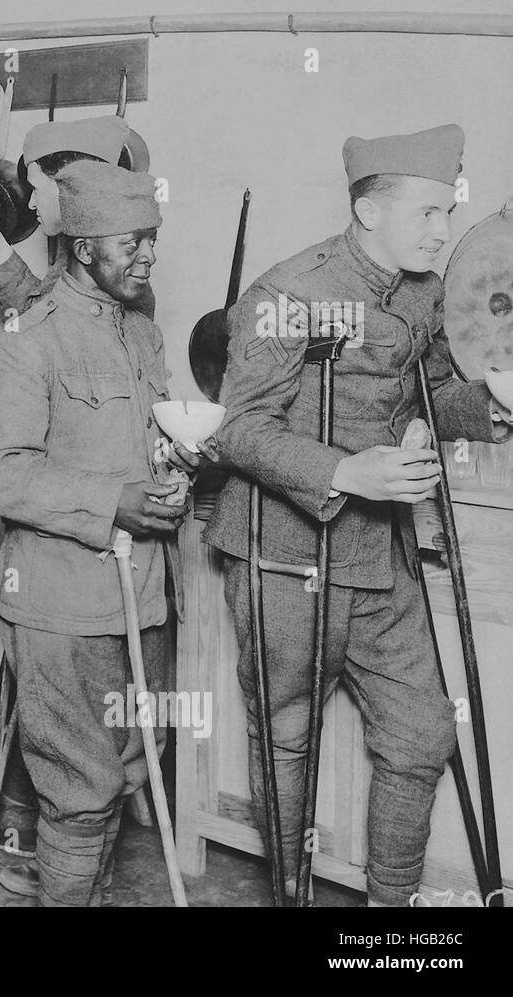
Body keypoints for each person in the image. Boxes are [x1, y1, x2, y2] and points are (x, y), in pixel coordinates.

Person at [203, 124, 512, 906]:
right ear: (369, 211)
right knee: (286, 738)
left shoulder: (420, 293)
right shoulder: (287, 293)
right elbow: (237, 428)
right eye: (429, 214)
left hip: (381, 556)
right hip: (282, 554)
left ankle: (389, 911)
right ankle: (293, 896)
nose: (444, 232)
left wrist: (494, 403)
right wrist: (345, 468)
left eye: (450, 212)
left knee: (421, 732)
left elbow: (433, 397)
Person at [0, 160, 201, 906]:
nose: (148, 256)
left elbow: (146, 436)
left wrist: (176, 464)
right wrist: (114, 502)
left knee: (133, 758)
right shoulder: (29, 342)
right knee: (79, 782)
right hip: (62, 607)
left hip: (143, 596)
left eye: (153, 239)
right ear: (81, 248)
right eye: (131, 242)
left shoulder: (140, 330)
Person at [0, 116, 155, 320]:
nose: (32, 203)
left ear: (69, 186)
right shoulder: (89, 245)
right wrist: (1, 254)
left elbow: (52, 331)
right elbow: (47, 315)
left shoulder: (108, 263)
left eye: (35, 188)